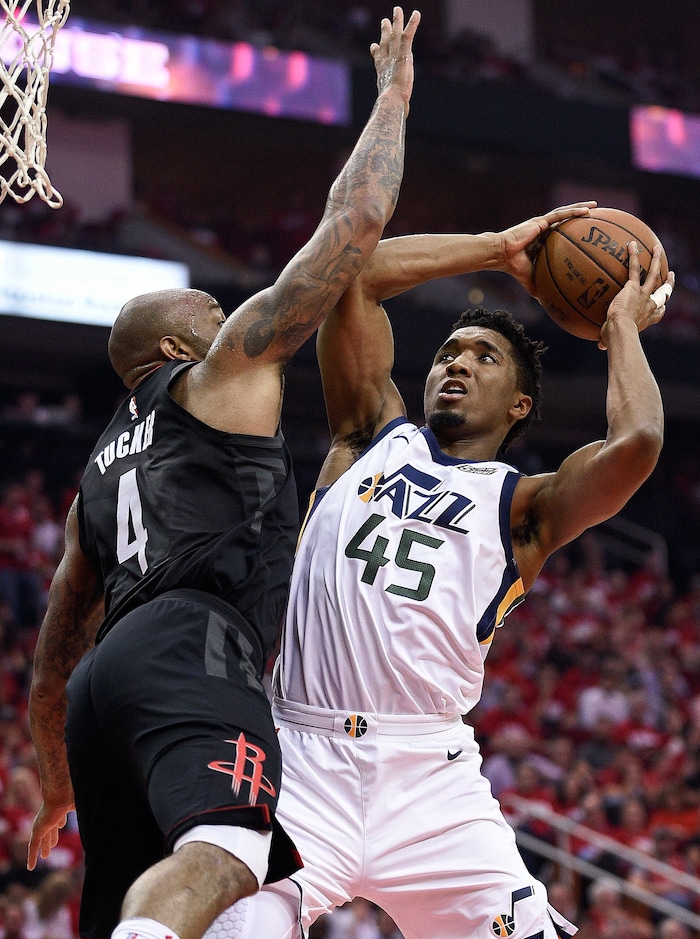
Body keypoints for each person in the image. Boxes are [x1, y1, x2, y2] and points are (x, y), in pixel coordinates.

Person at [24, 8, 421, 939]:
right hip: (192, 645)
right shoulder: (219, 375)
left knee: (168, 901)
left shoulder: (95, 477)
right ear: (172, 344)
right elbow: (355, 222)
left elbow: (51, 658)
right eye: (203, 304)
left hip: (101, 689)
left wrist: (54, 786)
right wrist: (394, 100)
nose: (218, 302)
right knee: (232, 850)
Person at [207, 204, 674, 938]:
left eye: (483, 356)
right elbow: (353, 278)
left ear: (520, 403)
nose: (456, 361)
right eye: (449, 351)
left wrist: (618, 323)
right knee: (229, 926)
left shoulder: (524, 506)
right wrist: (495, 249)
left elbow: (638, 440)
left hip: (430, 778)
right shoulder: (367, 435)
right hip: (300, 753)